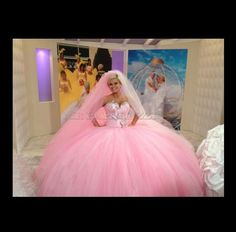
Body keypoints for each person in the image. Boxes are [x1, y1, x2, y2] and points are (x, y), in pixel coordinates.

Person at [34, 70, 204, 196]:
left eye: (116, 83)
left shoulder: (127, 99)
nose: (113, 86)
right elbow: (89, 112)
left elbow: (138, 112)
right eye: (110, 84)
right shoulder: (105, 99)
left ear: (121, 84)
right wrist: (98, 125)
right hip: (107, 131)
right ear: (107, 86)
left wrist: (132, 124)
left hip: (126, 130)